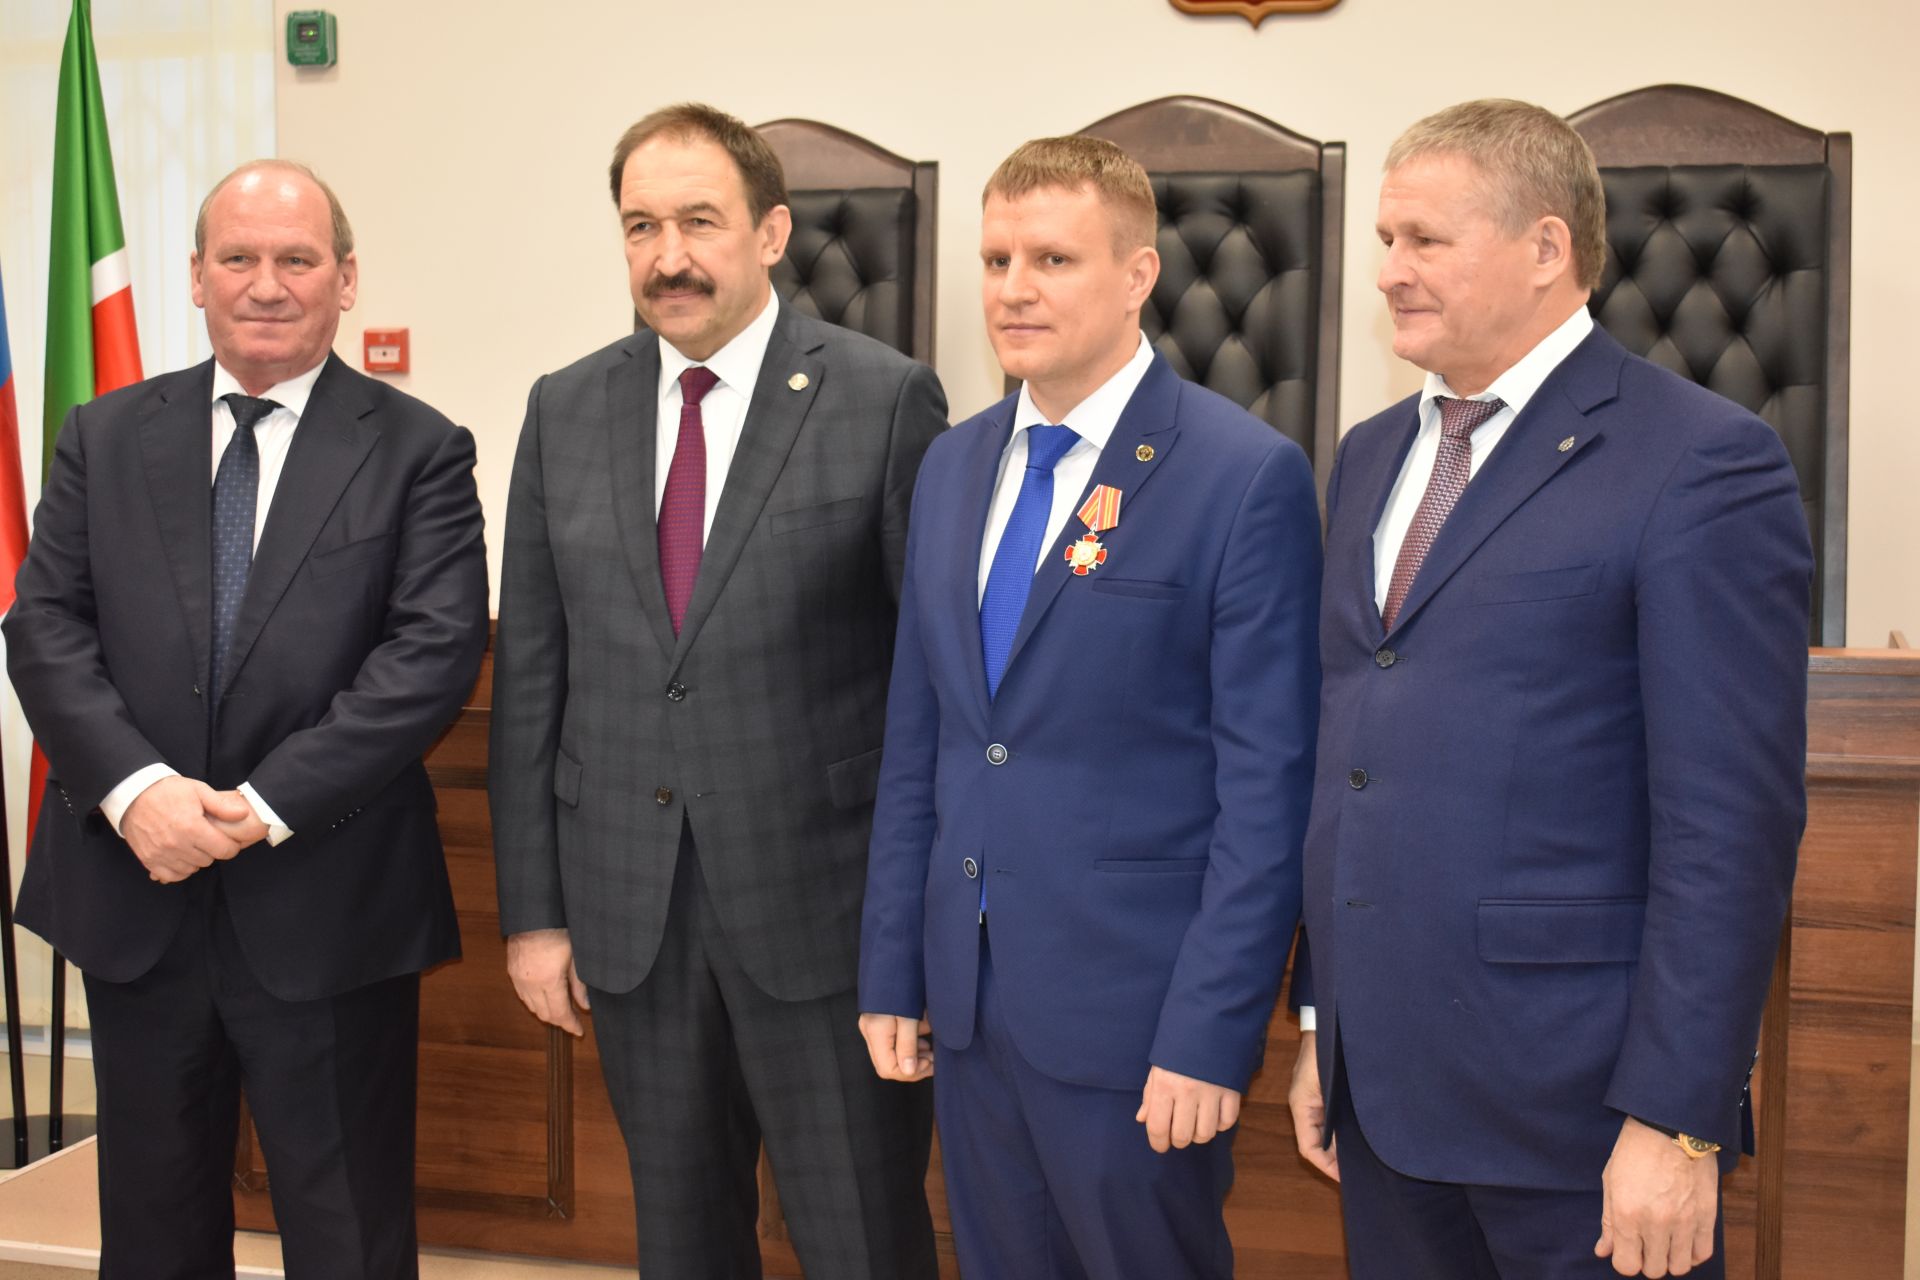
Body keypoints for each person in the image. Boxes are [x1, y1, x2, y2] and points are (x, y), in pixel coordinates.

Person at [1286, 99, 1812, 1280]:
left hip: (1582, 1110)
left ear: (1545, 248)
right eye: (1385, 239)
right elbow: (1348, 750)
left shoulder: (1702, 460)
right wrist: (1326, 1021)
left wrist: (1678, 1115)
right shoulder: (1371, 453)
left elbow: (1728, 822)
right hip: (1386, 1092)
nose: (1389, 272)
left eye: (1426, 240)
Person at [488, 103, 946, 1279]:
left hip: (824, 917)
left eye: (699, 220)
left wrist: (911, 930)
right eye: (641, 225)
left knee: (860, 1238)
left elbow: (928, 686)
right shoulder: (564, 404)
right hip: (630, 914)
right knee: (681, 1241)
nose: (669, 255)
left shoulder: (883, 399)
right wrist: (536, 914)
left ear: (772, 231)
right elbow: (534, 673)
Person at [7, 160, 489, 1278]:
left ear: (345, 277)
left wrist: (260, 805)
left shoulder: (419, 447)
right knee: (153, 1225)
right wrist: (141, 794)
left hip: (329, 901)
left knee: (347, 1229)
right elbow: (45, 626)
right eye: (239, 258)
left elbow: (428, 657)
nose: (265, 284)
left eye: (296, 259)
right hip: (138, 895)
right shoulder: (104, 433)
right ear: (194, 276)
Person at [857, 135, 1321, 1280]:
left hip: (1137, 1016)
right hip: (970, 1000)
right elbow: (923, 737)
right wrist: (892, 969)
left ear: (1137, 275)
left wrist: (1213, 1031)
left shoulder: (1240, 473)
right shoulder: (954, 467)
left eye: (1053, 258)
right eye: (998, 258)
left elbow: (1267, 790)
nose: (1014, 288)